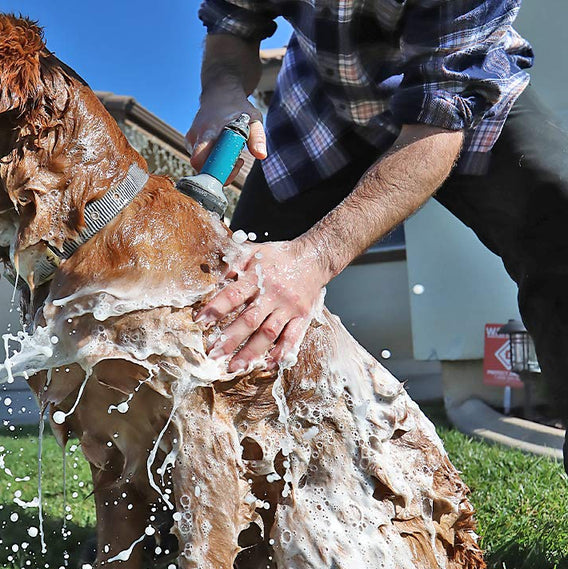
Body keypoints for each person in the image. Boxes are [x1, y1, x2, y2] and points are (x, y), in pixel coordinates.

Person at [187, 0, 568, 469]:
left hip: (464, 95)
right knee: (236, 288)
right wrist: (222, 91)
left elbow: (437, 116)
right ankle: (187, 498)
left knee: (560, 226)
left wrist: (312, 259)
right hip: (321, 102)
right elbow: (233, 27)